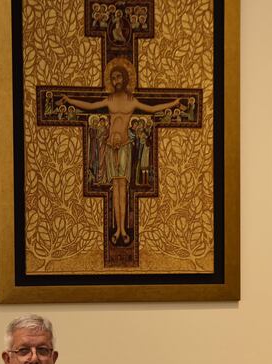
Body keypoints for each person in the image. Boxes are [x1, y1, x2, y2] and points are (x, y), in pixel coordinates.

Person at [59, 57, 181, 245]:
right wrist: (69, 100)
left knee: (122, 189)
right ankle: (117, 228)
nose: (116, 81)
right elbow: (89, 106)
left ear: (125, 79)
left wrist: (172, 104)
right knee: (114, 189)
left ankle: (123, 228)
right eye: (113, 78)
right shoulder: (109, 100)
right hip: (109, 147)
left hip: (124, 147)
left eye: (119, 77)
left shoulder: (132, 101)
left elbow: (152, 108)